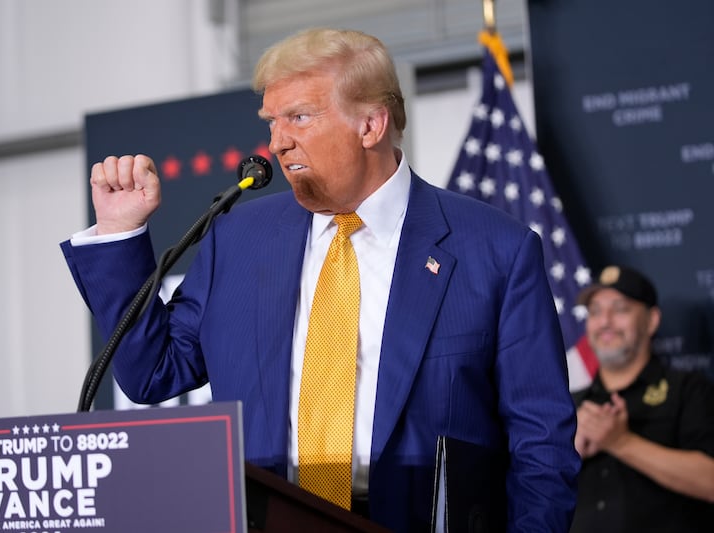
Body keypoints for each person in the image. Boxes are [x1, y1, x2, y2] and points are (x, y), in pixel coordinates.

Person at [61, 28, 579, 531]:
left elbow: (542, 445)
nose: (277, 143)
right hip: (269, 518)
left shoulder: (494, 249)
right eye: (272, 123)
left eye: (299, 118)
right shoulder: (238, 238)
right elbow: (153, 372)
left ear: (371, 125)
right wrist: (120, 234)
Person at [570, 265, 714, 532]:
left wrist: (620, 442)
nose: (605, 322)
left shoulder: (689, 390)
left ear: (652, 320)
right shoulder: (568, 407)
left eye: (620, 309)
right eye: (595, 312)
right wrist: (565, 456)